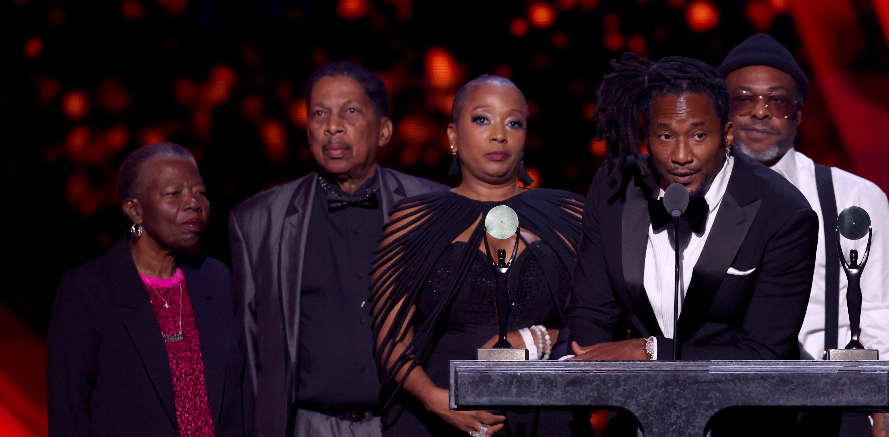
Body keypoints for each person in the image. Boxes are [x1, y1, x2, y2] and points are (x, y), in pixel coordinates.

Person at [561, 53, 818, 435]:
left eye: (699, 135)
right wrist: (576, 383)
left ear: (727, 135)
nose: (681, 156)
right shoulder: (616, 186)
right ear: (647, 136)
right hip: (636, 418)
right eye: (665, 136)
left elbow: (763, 356)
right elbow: (591, 313)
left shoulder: (783, 214)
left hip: (741, 424)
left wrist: (651, 352)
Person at [718, 33, 889, 437]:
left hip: (830, 411)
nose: (760, 112)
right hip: (719, 409)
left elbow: (886, 319)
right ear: (722, 112)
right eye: (744, 98)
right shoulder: (692, 200)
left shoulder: (852, 197)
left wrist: (886, 432)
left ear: (798, 113)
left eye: (777, 101)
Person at [228, 61, 446, 437]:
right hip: (306, 426)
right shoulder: (257, 221)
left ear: (384, 130)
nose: (332, 126)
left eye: (350, 112)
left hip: (409, 423)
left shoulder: (433, 208)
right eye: (319, 113)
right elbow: (248, 349)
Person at [370, 75, 584, 437]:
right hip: (438, 419)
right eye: (482, 119)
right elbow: (391, 338)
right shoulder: (416, 220)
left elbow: (603, 324)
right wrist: (436, 400)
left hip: (546, 415)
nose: (499, 134)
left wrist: (543, 338)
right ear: (453, 136)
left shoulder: (568, 214)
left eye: (513, 122)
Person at [47, 142, 251, 437]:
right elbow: (70, 411)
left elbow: (240, 395)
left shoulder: (216, 279)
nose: (193, 202)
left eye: (200, 192)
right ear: (135, 210)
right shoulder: (89, 290)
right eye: (174, 194)